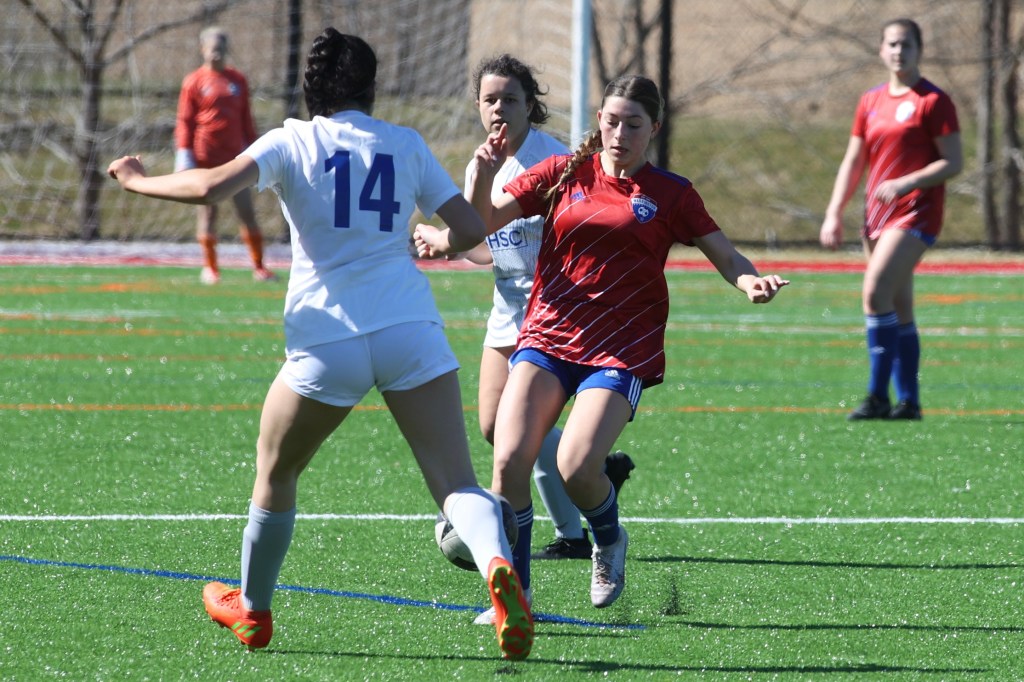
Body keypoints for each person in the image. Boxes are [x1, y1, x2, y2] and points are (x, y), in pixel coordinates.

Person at [110, 29, 533, 660]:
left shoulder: (293, 140)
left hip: (326, 338)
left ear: (310, 90)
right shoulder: (406, 143)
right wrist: (464, 199)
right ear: (371, 87)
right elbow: (470, 228)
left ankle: (252, 611)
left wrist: (137, 182)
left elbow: (208, 187)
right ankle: (499, 564)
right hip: (408, 329)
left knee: (276, 470)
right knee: (454, 482)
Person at [416, 75, 789, 611]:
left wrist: (750, 281)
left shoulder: (671, 193)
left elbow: (727, 256)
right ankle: (514, 601)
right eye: (612, 122)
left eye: (633, 125)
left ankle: (608, 537)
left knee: (575, 467)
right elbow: (478, 228)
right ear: (599, 121)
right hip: (548, 335)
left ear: (653, 129)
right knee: (508, 461)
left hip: (621, 349)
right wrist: (483, 176)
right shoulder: (564, 173)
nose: (620, 134)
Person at [454, 55, 635, 581]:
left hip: (552, 314)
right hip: (506, 307)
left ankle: (568, 535)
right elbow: (480, 239)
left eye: (510, 99)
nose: (499, 109)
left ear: (530, 105)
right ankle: (593, 483)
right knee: (494, 429)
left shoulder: (557, 162)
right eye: (490, 99)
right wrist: (446, 241)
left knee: (516, 442)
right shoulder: (481, 163)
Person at [820, 18, 962, 421]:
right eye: (892, 45)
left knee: (874, 294)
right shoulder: (870, 101)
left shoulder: (933, 101)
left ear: (920, 49)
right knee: (899, 307)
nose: (899, 52)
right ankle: (910, 402)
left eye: (907, 45)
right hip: (877, 215)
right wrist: (834, 212)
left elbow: (953, 162)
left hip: (917, 212)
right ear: (882, 50)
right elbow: (854, 161)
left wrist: (907, 182)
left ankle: (877, 397)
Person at [174, 26, 277, 284]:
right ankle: (210, 269)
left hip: (234, 160)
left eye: (220, 49)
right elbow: (185, 120)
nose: (216, 54)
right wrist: (184, 153)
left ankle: (259, 266)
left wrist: (254, 148)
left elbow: (246, 119)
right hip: (205, 159)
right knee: (207, 213)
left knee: (246, 211)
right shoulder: (193, 81)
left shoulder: (238, 81)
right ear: (202, 50)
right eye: (212, 49)